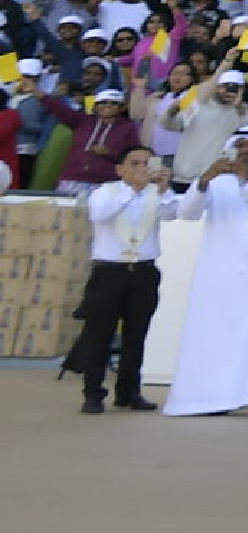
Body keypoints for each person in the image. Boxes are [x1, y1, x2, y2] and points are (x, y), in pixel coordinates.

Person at [161, 123, 248, 419]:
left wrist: (245, 178)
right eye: (241, 145)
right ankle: (216, 395)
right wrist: (203, 182)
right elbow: (187, 213)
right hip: (220, 270)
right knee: (217, 334)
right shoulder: (219, 179)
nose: (246, 151)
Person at [60, 142, 175, 412]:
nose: (142, 170)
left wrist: (164, 189)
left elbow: (174, 213)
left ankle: (129, 391)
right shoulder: (105, 192)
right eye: (135, 164)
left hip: (143, 271)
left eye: (147, 164)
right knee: (99, 334)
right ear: (120, 169)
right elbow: (100, 214)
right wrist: (132, 190)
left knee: (136, 334)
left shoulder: (155, 194)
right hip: (109, 271)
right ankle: (93, 393)